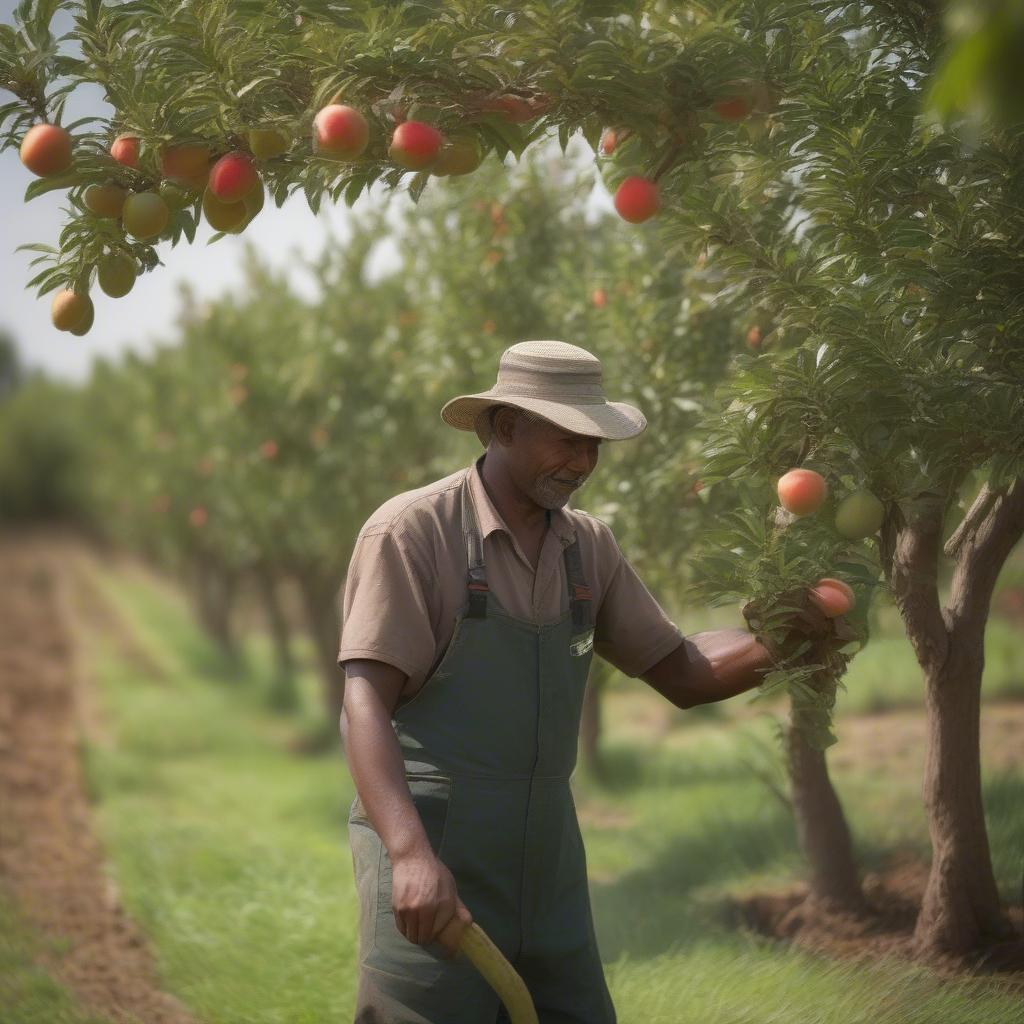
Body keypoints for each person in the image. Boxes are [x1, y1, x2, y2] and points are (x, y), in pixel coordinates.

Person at [338, 340, 845, 1024]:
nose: (582, 463)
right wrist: (409, 854)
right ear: (505, 425)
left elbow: (682, 670)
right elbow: (363, 699)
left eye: (594, 445)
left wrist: (778, 641)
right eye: (567, 440)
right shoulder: (414, 532)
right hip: (435, 842)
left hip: (547, 860)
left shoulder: (587, 547)